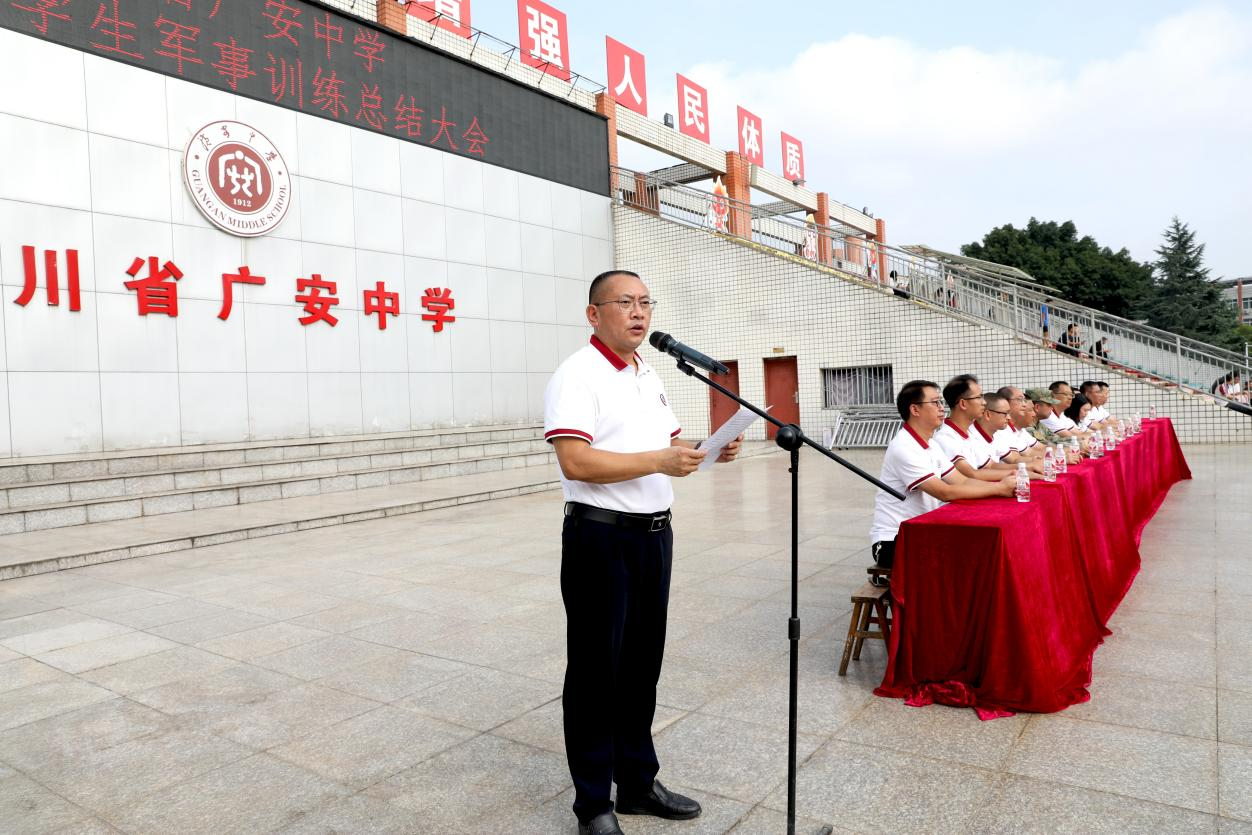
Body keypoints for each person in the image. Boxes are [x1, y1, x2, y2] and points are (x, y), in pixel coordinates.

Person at [544, 269, 741, 835]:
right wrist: (659, 460)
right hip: (601, 538)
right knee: (595, 671)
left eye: (646, 303)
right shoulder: (576, 375)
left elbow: (665, 444)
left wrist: (704, 450)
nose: (639, 312)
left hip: (654, 535)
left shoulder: (647, 371)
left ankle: (635, 783)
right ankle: (593, 805)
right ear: (594, 314)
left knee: (640, 666)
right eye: (625, 302)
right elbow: (576, 461)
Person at [869, 380, 1015, 582]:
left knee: (979, 549)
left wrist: (1003, 486)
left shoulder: (930, 444)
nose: (941, 408)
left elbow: (961, 481)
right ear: (915, 409)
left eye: (940, 403)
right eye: (935, 402)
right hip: (893, 539)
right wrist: (999, 488)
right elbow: (944, 492)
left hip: (923, 529)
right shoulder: (903, 446)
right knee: (968, 558)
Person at [932, 375, 1019, 481]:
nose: (984, 402)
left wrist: (1023, 471)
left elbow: (990, 465)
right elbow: (971, 474)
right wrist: (1018, 474)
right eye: (979, 397)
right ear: (963, 404)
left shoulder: (970, 434)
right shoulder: (945, 438)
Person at [974, 391, 1042, 472]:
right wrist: (1030, 466)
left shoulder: (996, 434)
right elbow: (989, 467)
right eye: (1005, 413)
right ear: (988, 414)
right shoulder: (972, 437)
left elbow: (1014, 459)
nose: (1009, 418)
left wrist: (1034, 461)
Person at [994, 386, 1045, 460]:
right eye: (1020, 400)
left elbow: (1039, 448)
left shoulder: (1019, 429)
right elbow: (1015, 459)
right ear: (1005, 402)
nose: (1024, 404)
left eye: (1024, 400)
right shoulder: (1002, 429)